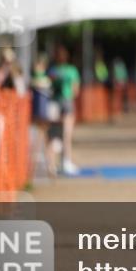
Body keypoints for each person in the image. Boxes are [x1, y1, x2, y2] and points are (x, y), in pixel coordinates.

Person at [48, 45, 81, 176]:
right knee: (67, 134)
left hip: (54, 103)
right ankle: (65, 162)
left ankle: (52, 164)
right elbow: (75, 89)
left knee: (54, 135)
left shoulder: (52, 71)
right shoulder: (71, 71)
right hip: (66, 102)